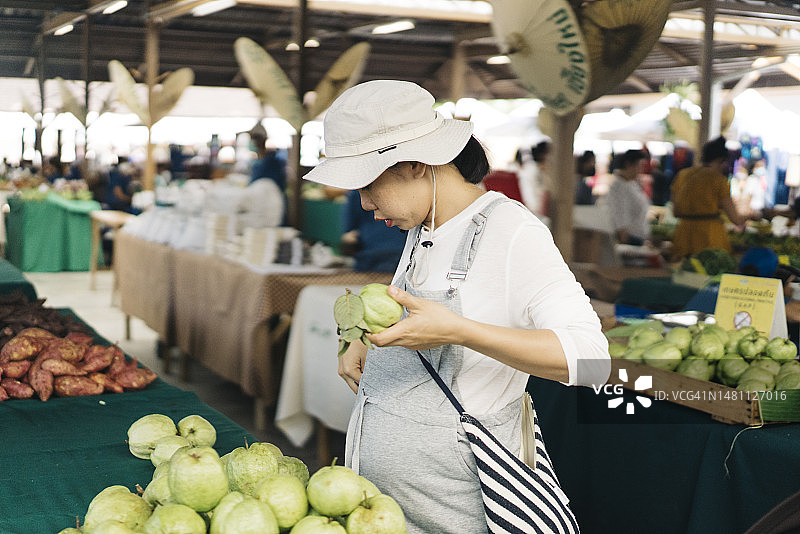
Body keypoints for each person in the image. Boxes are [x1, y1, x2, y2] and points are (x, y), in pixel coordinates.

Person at [302, 80, 610, 534]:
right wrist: (358, 339)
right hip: (389, 511)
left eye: (367, 185)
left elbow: (590, 361)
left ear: (411, 165)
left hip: (458, 509)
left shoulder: (511, 230)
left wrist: (460, 331)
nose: (364, 204)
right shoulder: (423, 226)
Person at [670, 136, 746, 259]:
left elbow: (675, 212)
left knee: (682, 274)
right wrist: (753, 215)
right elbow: (735, 219)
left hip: (683, 237)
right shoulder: (719, 181)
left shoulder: (682, 175)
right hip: (709, 238)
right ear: (722, 160)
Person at [340, 189, 406, 272]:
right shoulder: (403, 190)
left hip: (372, 257)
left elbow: (349, 236)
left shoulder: (357, 192)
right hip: (402, 254)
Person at [606, 149, 650, 245]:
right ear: (628, 164)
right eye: (640, 166)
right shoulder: (618, 187)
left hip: (639, 239)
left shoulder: (632, 184)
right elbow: (620, 223)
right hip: (630, 245)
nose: (641, 170)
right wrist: (639, 243)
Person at [249, 123, 288, 224]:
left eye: (255, 138)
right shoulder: (257, 162)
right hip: (256, 207)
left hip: (271, 206)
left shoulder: (272, 162)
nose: (253, 142)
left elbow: (279, 185)